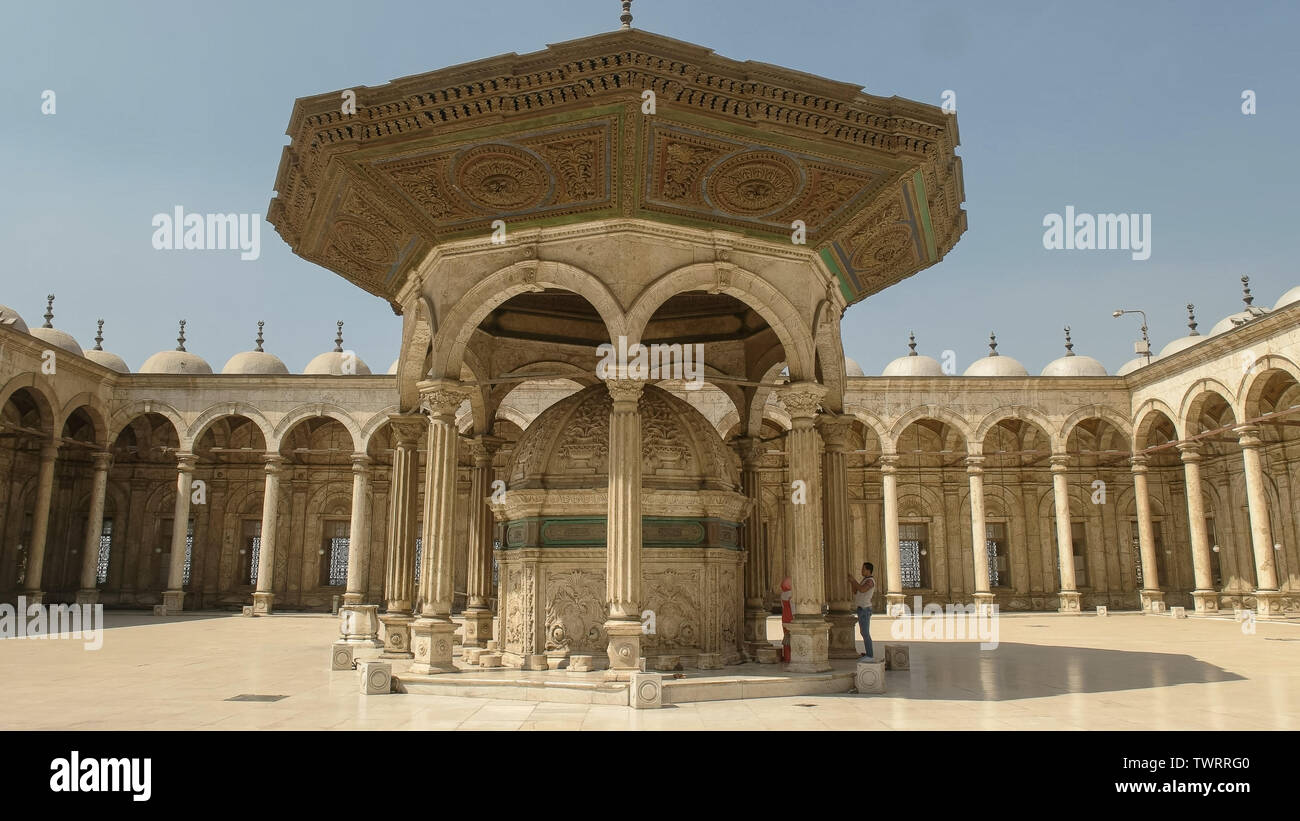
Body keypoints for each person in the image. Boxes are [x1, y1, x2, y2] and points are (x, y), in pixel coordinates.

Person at [847, 562, 876, 661]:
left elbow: (863, 590)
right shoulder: (864, 580)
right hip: (861, 609)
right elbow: (856, 591)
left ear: (868, 570)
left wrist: (854, 580)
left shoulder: (870, 581)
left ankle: (870, 656)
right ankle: (868, 653)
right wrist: (852, 583)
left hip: (865, 609)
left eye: (863, 569)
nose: (861, 571)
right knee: (863, 632)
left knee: (865, 633)